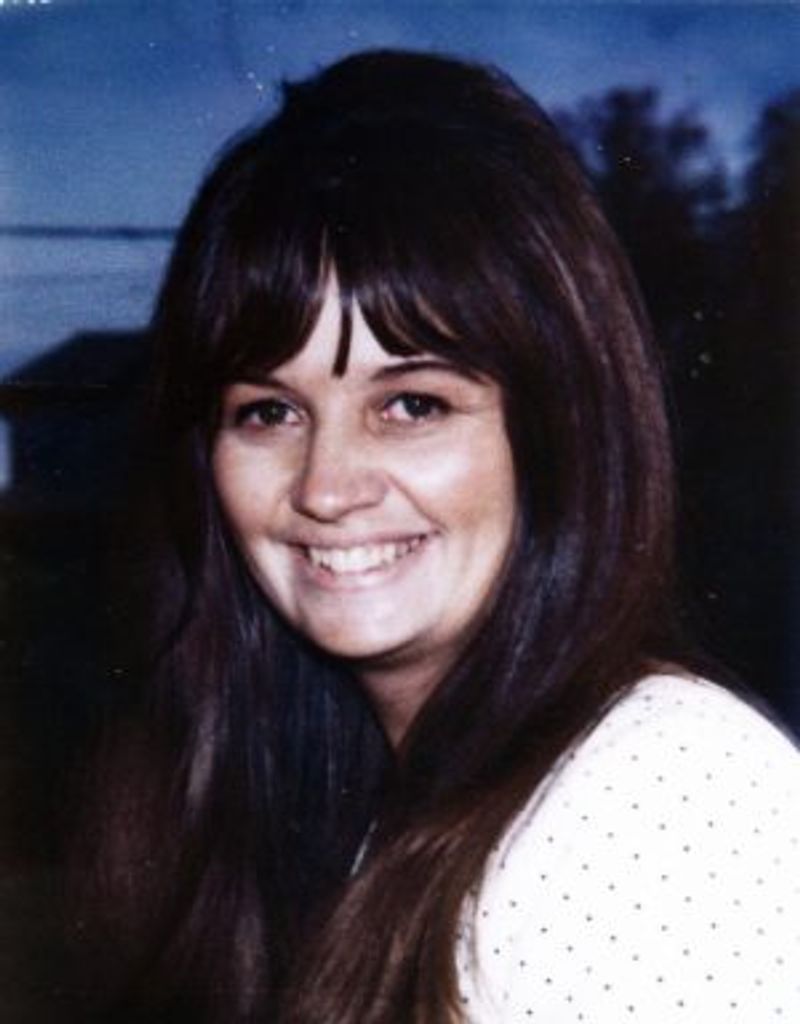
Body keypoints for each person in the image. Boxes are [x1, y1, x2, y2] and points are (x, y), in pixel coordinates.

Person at [74, 50, 800, 1023]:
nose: (326, 487)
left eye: (412, 404)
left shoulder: (662, 803)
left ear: (555, 430)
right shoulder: (353, 802)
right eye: (268, 412)